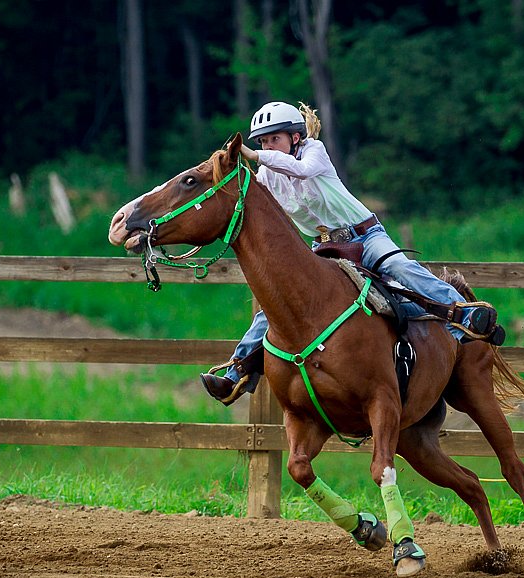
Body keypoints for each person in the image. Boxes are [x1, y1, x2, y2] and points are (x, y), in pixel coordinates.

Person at [200, 101, 504, 406]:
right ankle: (236, 372)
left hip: (365, 235)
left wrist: (253, 154)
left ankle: (463, 313)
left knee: (399, 268)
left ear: (296, 137)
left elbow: (302, 171)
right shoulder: (267, 176)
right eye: (263, 142)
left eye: (274, 139)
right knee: (280, 305)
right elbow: (257, 203)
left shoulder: (313, 151)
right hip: (324, 247)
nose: (268, 147)